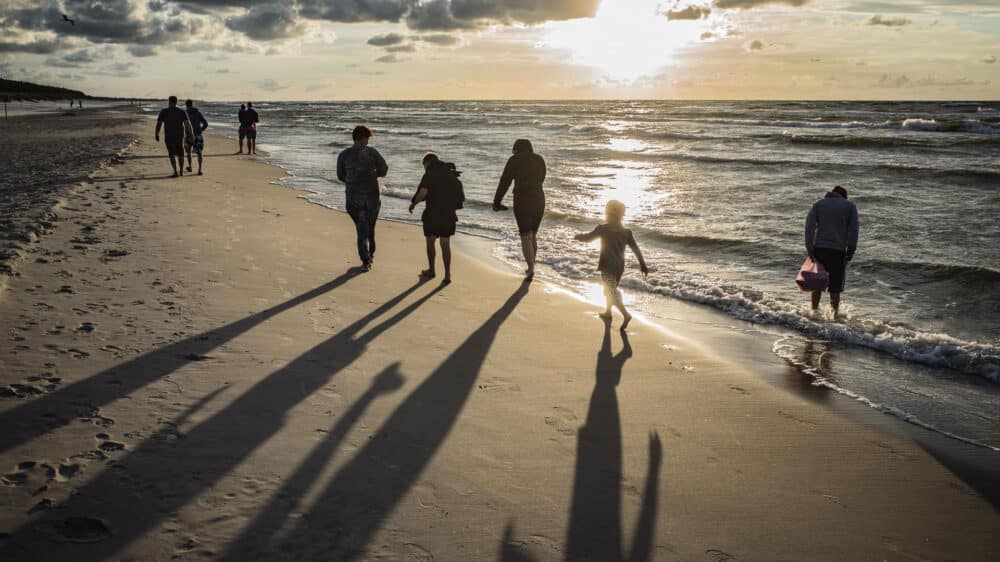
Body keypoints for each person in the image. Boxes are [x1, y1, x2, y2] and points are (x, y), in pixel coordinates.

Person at [574, 200, 649, 330]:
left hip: (607, 266)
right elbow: (636, 249)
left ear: (608, 213)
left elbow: (589, 238)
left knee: (610, 291)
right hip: (619, 267)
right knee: (610, 289)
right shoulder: (627, 232)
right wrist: (642, 264)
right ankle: (608, 312)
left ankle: (626, 315)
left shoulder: (603, 229)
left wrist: (578, 236)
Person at [493, 138, 546, 281]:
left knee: (525, 235)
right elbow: (542, 177)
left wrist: (497, 202)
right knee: (533, 235)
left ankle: (531, 269)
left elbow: (505, 181)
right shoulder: (539, 159)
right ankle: (531, 267)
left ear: (516, 148)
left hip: (522, 199)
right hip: (539, 198)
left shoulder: (514, 160)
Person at [337, 126, 388, 271]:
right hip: (371, 196)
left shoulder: (344, 155)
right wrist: (372, 175)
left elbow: (340, 176)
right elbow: (384, 170)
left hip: (352, 198)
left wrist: (353, 179)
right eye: (367, 138)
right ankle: (368, 256)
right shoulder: (372, 153)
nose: (368, 141)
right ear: (363, 138)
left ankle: (366, 257)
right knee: (369, 228)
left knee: (362, 227)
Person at [409, 152, 465, 284]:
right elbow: (461, 199)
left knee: (430, 241)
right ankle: (447, 275)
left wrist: (413, 203)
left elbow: (422, 193)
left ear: (427, 163)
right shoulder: (453, 176)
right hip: (448, 215)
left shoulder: (429, 174)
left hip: (432, 214)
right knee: (445, 244)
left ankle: (432, 270)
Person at [805, 185, 859, 316]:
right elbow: (854, 230)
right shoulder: (850, 206)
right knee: (835, 289)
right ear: (844, 196)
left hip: (820, 250)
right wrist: (851, 250)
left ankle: (813, 313)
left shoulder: (818, 204)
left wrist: (810, 248)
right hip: (838, 252)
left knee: (817, 286)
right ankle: (834, 317)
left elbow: (810, 227)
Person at [154, 95, 195, 178]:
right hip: (179, 136)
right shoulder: (181, 111)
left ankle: (175, 171)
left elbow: (159, 124)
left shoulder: (164, 111)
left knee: (171, 154)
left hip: (169, 136)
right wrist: (192, 135)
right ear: (177, 102)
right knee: (181, 154)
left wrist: (157, 134)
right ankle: (181, 171)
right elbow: (188, 124)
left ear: (169, 101)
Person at [184, 99, 209, 175]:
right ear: (193, 104)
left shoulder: (185, 113)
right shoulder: (198, 113)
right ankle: (200, 170)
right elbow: (205, 124)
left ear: (186, 105)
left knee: (188, 152)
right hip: (198, 135)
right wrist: (201, 130)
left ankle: (190, 166)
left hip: (188, 135)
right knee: (199, 153)